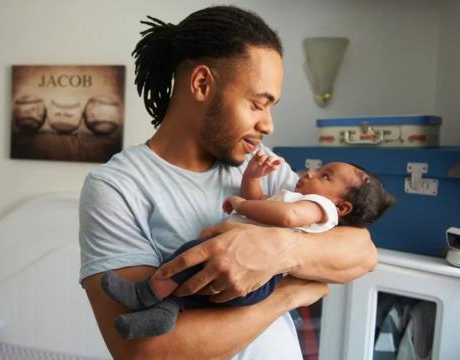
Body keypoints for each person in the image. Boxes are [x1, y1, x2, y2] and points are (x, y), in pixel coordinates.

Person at [79, 5, 378, 359]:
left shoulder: (260, 162)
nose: (268, 125)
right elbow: (145, 351)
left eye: (271, 107)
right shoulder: (117, 187)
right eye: (257, 104)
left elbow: (362, 253)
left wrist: (275, 252)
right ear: (202, 84)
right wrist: (288, 295)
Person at [100, 149, 395, 340]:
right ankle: (165, 313)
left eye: (324, 176)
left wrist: (241, 204)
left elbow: (287, 216)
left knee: (191, 253)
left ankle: (146, 292)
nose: (309, 173)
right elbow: (263, 203)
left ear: (341, 207)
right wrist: (253, 177)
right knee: (196, 287)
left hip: (257, 281)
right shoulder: (299, 195)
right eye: (256, 103)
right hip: (245, 283)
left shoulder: (318, 208)